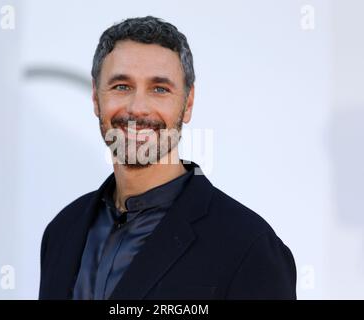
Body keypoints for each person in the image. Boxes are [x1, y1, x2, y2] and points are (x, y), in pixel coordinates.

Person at [39, 16, 296, 300]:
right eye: (121, 86)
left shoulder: (248, 247)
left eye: (159, 89)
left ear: (188, 103)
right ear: (96, 99)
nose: (137, 108)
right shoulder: (63, 230)